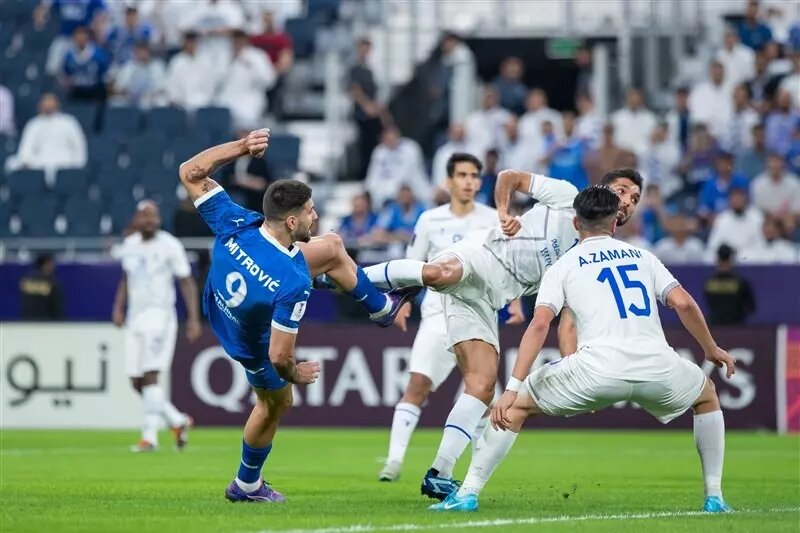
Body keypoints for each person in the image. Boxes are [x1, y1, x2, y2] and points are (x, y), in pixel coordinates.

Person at [432, 185, 735, 514]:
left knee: (515, 408)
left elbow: (538, 326)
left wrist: (511, 389)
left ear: (576, 224)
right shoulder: (645, 257)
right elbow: (683, 303)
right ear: (615, 223)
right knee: (706, 397)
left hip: (595, 370)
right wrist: (711, 348)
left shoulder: (564, 265)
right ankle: (714, 497)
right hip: (657, 367)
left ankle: (468, 494)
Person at [361, 169, 644, 501]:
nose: (628, 201)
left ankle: (440, 473)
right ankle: (353, 277)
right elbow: (510, 177)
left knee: (481, 388)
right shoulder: (566, 195)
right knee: (440, 273)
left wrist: (577, 370)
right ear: (602, 188)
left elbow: (567, 323)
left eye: (635, 199)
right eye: (623, 191)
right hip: (483, 253)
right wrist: (504, 213)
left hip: (489, 299)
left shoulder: (595, 256)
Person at [176, 129, 413, 502]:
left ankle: (382, 309)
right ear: (291, 222)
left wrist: (241, 147)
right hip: (247, 342)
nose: (315, 216)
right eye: (309, 212)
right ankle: (247, 486)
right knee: (278, 401)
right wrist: (297, 373)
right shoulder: (294, 280)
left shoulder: (237, 221)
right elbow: (279, 356)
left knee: (334, 247)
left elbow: (190, 171)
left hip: (221, 299)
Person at [378, 153, 513, 482]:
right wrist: (404, 303)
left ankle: (467, 469)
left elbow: (507, 265)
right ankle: (393, 463)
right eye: (463, 175)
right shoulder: (430, 219)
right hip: (437, 316)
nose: (470, 181)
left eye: (475, 175)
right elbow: (413, 264)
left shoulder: (493, 218)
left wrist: (516, 303)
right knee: (417, 385)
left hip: (480, 316)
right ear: (449, 181)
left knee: (483, 393)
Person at [112, 201, 200, 452]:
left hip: (160, 316)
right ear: (136, 220)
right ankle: (177, 420)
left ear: (159, 220)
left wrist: (193, 317)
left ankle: (149, 437)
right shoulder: (129, 246)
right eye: (144, 216)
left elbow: (186, 282)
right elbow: (126, 278)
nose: (149, 221)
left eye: (153, 216)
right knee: (136, 381)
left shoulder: (170, 245)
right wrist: (118, 307)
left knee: (151, 375)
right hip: (135, 317)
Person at [8, 93, 87, 186]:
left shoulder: (69, 122)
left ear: (57, 104)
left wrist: (77, 166)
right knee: (11, 163)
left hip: (64, 163)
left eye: (50, 102)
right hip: (39, 163)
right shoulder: (34, 124)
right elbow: (26, 148)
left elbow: (79, 146)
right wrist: (25, 161)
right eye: (45, 102)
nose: (48, 105)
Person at [217, 30, 276, 131]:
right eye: (235, 40)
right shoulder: (223, 56)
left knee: (246, 123)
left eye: (241, 40)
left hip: (250, 100)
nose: (238, 43)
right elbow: (215, 81)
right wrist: (231, 61)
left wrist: (250, 65)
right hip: (225, 100)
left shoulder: (257, 56)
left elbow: (269, 80)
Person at [364, 126, 430, 208]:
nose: (391, 142)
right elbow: (373, 175)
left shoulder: (410, 148)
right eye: (387, 139)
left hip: (410, 189)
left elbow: (410, 174)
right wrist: (368, 191)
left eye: (393, 138)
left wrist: (397, 192)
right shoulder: (379, 152)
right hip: (384, 194)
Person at [707, 187, 765, 260]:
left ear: (745, 200)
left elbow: (761, 243)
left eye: (739, 198)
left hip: (751, 258)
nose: (737, 201)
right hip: (729, 258)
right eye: (734, 199)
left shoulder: (756, 217)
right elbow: (714, 245)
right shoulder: (722, 219)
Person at [703, 244, 755, 325]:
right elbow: (750, 306)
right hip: (734, 327)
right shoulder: (740, 282)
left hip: (720, 325)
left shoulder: (710, 282)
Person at [166, 31, 217, 112]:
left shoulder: (205, 61)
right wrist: (179, 101)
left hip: (203, 105)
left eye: (193, 42)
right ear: (184, 43)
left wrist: (204, 100)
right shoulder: (176, 61)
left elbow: (210, 85)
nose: (191, 45)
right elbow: (172, 87)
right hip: (181, 106)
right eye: (189, 42)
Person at [60, 26, 111, 104]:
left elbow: (105, 73)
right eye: (78, 37)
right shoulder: (69, 55)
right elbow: (66, 73)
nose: (81, 39)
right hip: (77, 89)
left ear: (87, 38)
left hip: (94, 89)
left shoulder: (98, 54)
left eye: (83, 36)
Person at [751, 152, 800, 234]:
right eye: (773, 163)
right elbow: (757, 210)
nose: (775, 166)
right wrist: (773, 218)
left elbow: (797, 210)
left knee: (791, 224)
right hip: (766, 220)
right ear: (767, 165)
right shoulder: (758, 184)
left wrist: (784, 218)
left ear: (784, 165)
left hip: (787, 221)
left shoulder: (794, 183)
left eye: (778, 163)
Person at [110, 41, 167, 109]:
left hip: (151, 98)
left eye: (144, 52)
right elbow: (119, 87)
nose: (142, 54)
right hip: (131, 99)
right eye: (139, 52)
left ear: (149, 53)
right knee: (115, 102)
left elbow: (162, 88)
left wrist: (151, 95)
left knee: (162, 102)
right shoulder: (128, 67)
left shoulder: (157, 66)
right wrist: (127, 93)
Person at [688, 61, 733, 142]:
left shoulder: (731, 90)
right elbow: (698, 116)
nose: (717, 74)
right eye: (715, 71)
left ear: (724, 73)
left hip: (727, 135)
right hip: (705, 136)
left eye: (720, 71)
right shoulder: (699, 91)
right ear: (710, 72)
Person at [464, 86, 513, 158]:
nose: (487, 99)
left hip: (500, 159)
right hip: (478, 158)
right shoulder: (472, 119)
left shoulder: (505, 117)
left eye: (490, 96)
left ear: (497, 98)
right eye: (485, 96)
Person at [611, 88, 657, 156]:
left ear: (641, 100)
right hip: (622, 156)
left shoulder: (650, 118)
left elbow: (651, 140)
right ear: (627, 99)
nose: (634, 101)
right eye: (632, 98)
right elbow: (614, 140)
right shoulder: (617, 118)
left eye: (637, 99)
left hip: (643, 156)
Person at [19, 253, 64, 320]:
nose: (53, 266)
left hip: (27, 324)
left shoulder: (26, 282)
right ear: (45, 264)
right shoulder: (52, 283)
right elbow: (57, 307)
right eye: (51, 263)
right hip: (47, 325)